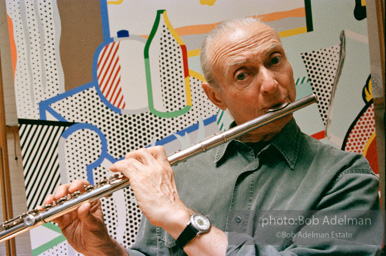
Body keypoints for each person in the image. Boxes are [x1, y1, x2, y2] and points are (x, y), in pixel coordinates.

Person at [45, 18, 382, 255]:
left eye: (274, 60)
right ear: (216, 96)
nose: (270, 83)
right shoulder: (183, 174)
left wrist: (179, 217)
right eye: (243, 74)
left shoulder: (347, 178)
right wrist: (101, 248)